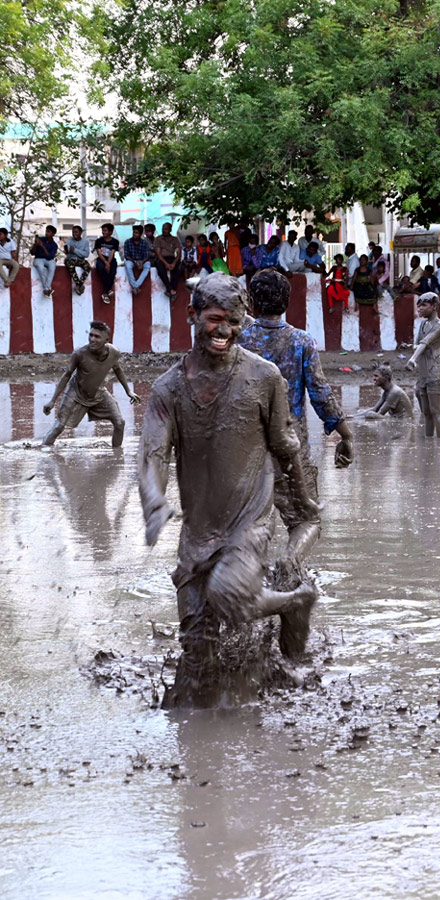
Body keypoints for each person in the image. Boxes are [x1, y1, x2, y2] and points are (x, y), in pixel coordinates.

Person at [139, 275, 321, 707]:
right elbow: (153, 456)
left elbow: (286, 445)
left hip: (248, 525)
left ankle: (295, 602)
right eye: (215, 319)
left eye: (234, 322)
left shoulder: (264, 377)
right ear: (192, 316)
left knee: (229, 595)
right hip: (197, 537)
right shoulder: (169, 388)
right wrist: (154, 501)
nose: (223, 330)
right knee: (196, 659)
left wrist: (305, 507)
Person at [238, 268, 353, 594]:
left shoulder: (240, 342)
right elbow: (320, 394)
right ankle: (290, 561)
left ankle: (249, 586)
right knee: (307, 520)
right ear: (287, 302)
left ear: (252, 302)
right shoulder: (301, 341)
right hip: (291, 447)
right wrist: (346, 434)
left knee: (249, 524)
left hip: (246, 449)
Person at [42, 320, 140, 448]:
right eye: (91, 335)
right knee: (59, 426)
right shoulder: (79, 354)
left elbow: (117, 369)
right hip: (76, 393)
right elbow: (67, 375)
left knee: (120, 423)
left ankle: (117, 454)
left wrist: (128, 391)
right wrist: (52, 401)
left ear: (106, 340)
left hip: (98, 393)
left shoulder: (114, 352)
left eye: (97, 336)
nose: (92, 339)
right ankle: (43, 451)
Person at [406, 292, 440, 438]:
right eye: (419, 305)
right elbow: (419, 343)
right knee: (426, 412)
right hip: (423, 372)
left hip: (434, 370)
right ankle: (429, 442)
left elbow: (425, 343)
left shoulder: (439, 326)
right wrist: (415, 349)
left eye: (423, 305)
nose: (419, 309)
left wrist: (412, 359)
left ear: (434, 306)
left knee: (435, 410)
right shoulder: (424, 324)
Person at [152, 222, 184, 301]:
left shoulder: (175, 239)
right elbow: (158, 253)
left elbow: (178, 254)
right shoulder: (158, 239)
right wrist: (166, 264)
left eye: (166, 229)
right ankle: (170, 289)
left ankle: (172, 289)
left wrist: (173, 263)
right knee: (160, 269)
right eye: (163, 229)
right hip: (162, 258)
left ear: (170, 230)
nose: (164, 230)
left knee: (179, 268)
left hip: (172, 258)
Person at [92, 224, 121, 303]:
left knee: (113, 272)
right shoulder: (99, 241)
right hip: (101, 259)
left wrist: (108, 263)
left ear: (110, 232)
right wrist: (105, 262)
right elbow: (99, 253)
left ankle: (105, 292)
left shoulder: (115, 242)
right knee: (101, 269)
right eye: (103, 230)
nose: (103, 232)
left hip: (111, 260)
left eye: (105, 230)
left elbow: (112, 252)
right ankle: (108, 290)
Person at [63, 225, 92, 296]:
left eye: (76, 232)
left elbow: (86, 254)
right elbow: (68, 251)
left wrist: (74, 250)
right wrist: (69, 251)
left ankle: (79, 285)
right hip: (70, 259)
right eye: (73, 232)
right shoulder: (69, 240)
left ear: (80, 233)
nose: (74, 234)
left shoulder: (85, 242)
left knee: (88, 267)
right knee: (71, 265)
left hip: (80, 260)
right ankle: (79, 285)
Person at [123, 224, 153, 292]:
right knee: (127, 264)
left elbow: (147, 255)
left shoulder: (144, 243)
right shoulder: (127, 242)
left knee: (148, 265)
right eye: (133, 232)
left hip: (142, 261)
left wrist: (142, 263)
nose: (134, 234)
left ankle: (135, 285)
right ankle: (135, 285)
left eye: (136, 233)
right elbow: (127, 256)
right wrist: (135, 262)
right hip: (132, 261)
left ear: (140, 234)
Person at [31, 225, 59, 298]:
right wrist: (35, 245)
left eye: (49, 232)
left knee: (52, 266)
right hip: (38, 259)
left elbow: (50, 256)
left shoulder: (54, 245)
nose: (46, 233)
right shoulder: (40, 239)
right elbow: (32, 253)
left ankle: (46, 289)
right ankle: (46, 289)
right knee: (41, 268)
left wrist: (42, 246)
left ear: (53, 234)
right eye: (46, 231)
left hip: (48, 259)